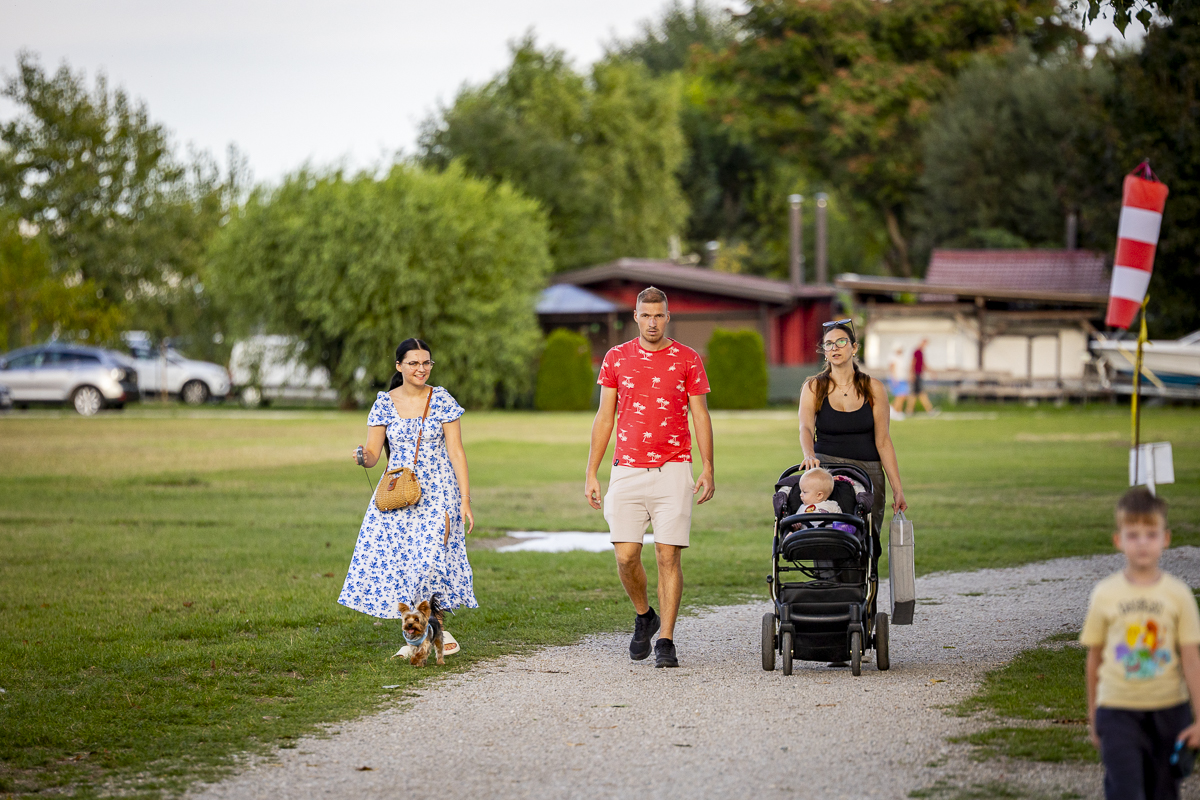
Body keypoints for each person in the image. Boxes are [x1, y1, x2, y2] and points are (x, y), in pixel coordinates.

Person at [584, 286, 715, 669]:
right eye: (646, 315)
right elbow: (604, 418)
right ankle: (645, 615)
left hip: (674, 469)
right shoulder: (616, 357)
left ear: (667, 317)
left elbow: (700, 414)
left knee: (667, 555)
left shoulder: (688, 359)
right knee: (626, 556)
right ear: (636, 317)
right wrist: (591, 472)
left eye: (659, 315)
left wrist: (708, 466)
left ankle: (666, 640)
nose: (652, 322)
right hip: (626, 469)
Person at [339, 338, 477, 656]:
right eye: (414, 363)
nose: (421, 369)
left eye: (426, 362)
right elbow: (374, 454)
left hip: (439, 490)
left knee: (430, 561)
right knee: (404, 565)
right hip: (398, 493)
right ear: (399, 366)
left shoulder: (441, 399)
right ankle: (422, 637)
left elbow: (456, 451)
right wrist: (363, 456)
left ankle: (432, 630)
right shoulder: (383, 404)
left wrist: (465, 499)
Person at [1082, 487, 1200, 800]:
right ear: (1118, 540)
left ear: (1166, 538)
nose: (1143, 542)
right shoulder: (1105, 594)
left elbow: (1191, 658)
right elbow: (1094, 659)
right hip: (1117, 712)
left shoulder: (1179, 595)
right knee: (1125, 791)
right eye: (1133, 535)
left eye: (1151, 534)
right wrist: (1094, 718)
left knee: (1163, 792)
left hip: (1169, 713)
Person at [799, 319, 907, 553]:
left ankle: (867, 577)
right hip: (827, 472)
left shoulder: (873, 387)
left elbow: (883, 441)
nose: (835, 348)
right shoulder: (813, 387)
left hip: (868, 472)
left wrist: (897, 489)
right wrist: (808, 454)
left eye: (841, 342)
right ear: (824, 351)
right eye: (829, 344)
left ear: (854, 347)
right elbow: (805, 428)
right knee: (826, 536)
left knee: (868, 540)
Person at [905, 338, 936, 415]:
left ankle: (909, 411)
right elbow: (913, 362)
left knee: (914, 393)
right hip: (916, 374)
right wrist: (912, 374)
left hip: (918, 374)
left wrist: (931, 372)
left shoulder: (921, 352)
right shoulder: (917, 351)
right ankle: (929, 410)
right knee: (920, 393)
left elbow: (923, 364)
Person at [887, 344, 910, 418]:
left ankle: (897, 410)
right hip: (897, 379)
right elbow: (892, 369)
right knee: (899, 396)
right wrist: (894, 379)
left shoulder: (902, 358)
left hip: (903, 378)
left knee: (903, 396)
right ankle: (895, 411)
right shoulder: (893, 357)